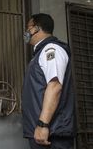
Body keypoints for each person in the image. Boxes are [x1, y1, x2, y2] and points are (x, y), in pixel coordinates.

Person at [22, 13, 75, 149]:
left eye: (28, 28)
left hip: (52, 134)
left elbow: (55, 86)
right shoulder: (40, 53)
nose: (26, 32)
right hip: (42, 134)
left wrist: (43, 125)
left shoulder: (51, 49)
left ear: (36, 28)